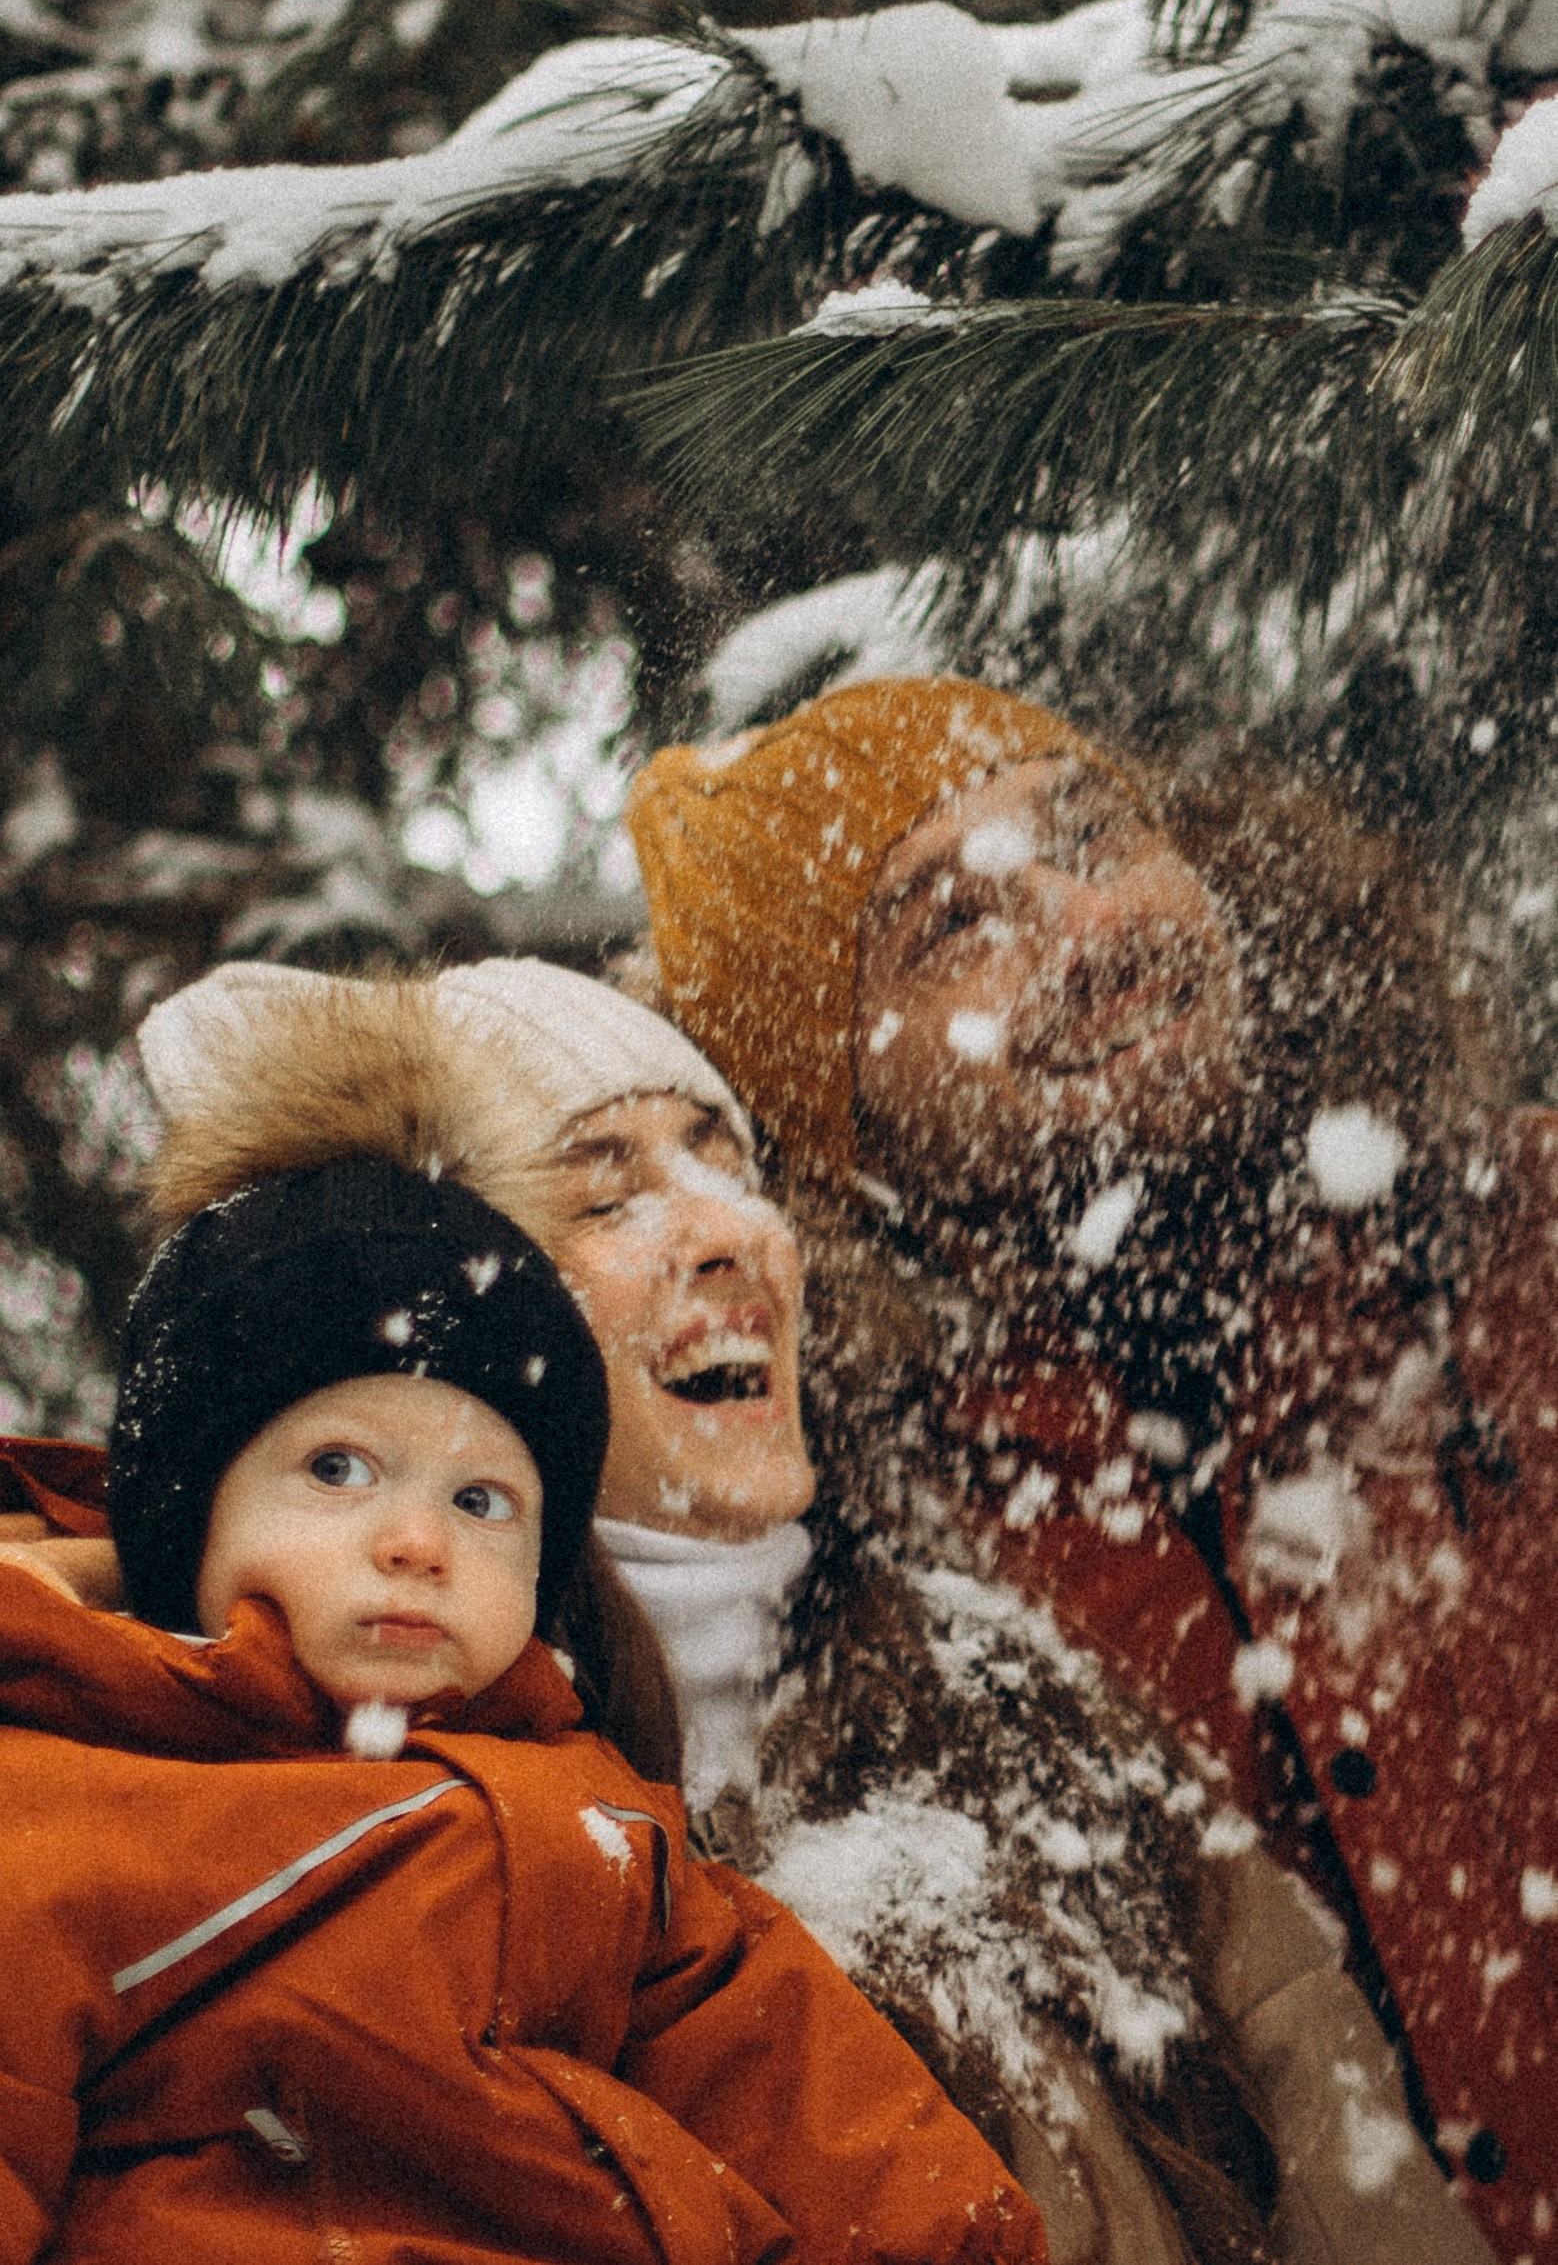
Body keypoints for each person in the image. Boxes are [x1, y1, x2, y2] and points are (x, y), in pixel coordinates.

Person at [2, 956, 1496, 2264]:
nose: (727, 1229)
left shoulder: (1016, 1698)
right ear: (450, 1314)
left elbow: (1354, 2185)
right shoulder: (216, 1765)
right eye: (604, 1190)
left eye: (730, 1162)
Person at [625, 673, 1558, 2265]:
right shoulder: (858, 1575)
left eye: (1096, 835)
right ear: (828, 1116)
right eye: (952, 923)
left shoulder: (1522, 1252)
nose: (1095, 922)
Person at [0, 1138, 1048, 2265]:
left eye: (481, 1499)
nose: (418, 1542)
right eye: (338, 1469)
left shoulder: (595, 1815)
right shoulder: (71, 1791)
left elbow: (801, 2087)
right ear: (187, 1516)